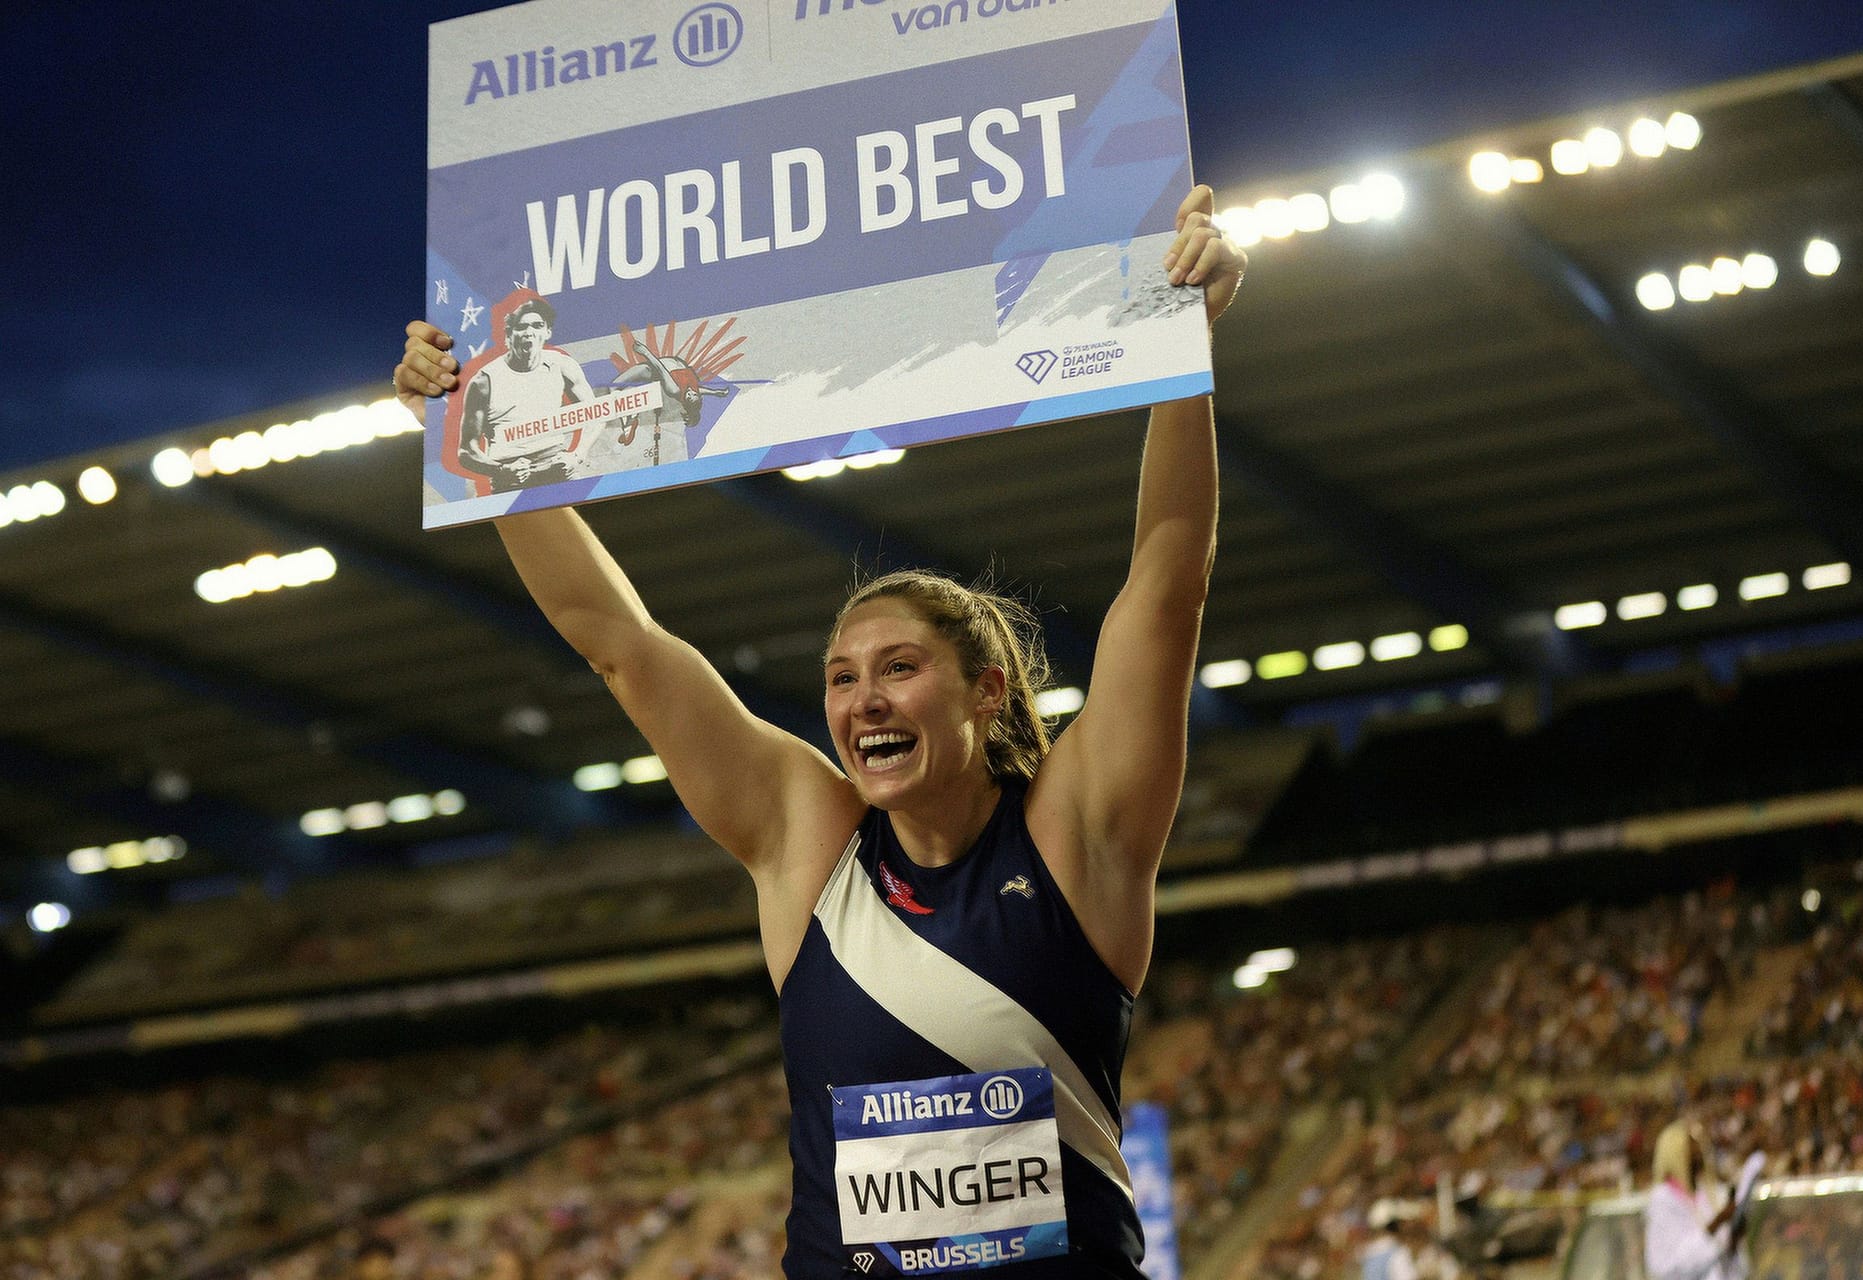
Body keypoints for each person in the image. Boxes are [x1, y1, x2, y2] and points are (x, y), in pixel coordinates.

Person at [394, 184, 1244, 1279]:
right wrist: (472, 418)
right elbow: (621, 642)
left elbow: (1169, 580)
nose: (862, 700)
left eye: (900, 668)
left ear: (987, 691)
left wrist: (1188, 341)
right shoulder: (809, 842)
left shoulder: (1081, 837)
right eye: (841, 678)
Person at [457, 296, 605, 490]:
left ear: (547, 332)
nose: (529, 333)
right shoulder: (484, 381)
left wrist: (577, 456)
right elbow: (466, 451)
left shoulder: (562, 365)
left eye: (537, 326)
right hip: (509, 480)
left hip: (558, 470)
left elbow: (597, 415)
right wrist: (502, 469)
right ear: (509, 336)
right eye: (521, 327)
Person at [1645, 1121, 1746, 1280]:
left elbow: (1721, 1257)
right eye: (1692, 1147)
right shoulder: (1663, 1199)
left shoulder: (1706, 1194)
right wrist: (1717, 1222)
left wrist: (1734, 1238)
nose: (1699, 1152)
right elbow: (1668, 1264)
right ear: (1675, 1153)